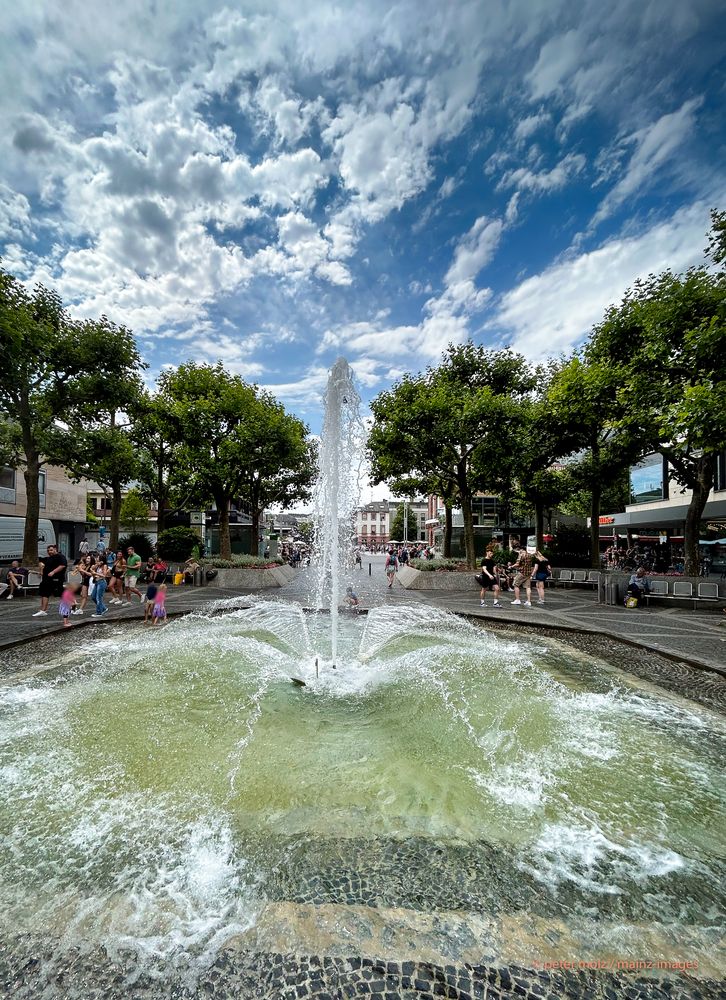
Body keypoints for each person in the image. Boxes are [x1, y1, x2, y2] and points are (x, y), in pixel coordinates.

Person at [33, 544, 68, 617]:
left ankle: (71, 605)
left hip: (56, 579)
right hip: (46, 579)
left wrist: (53, 572)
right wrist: (41, 566)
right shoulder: (49, 558)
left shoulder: (60, 556)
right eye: (48, 550)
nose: (49, 552)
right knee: (44, 593)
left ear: (55, 549)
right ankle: (43, 610)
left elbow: (62, 565)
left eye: (51, 550)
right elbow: (42, 565)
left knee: (61, 593)